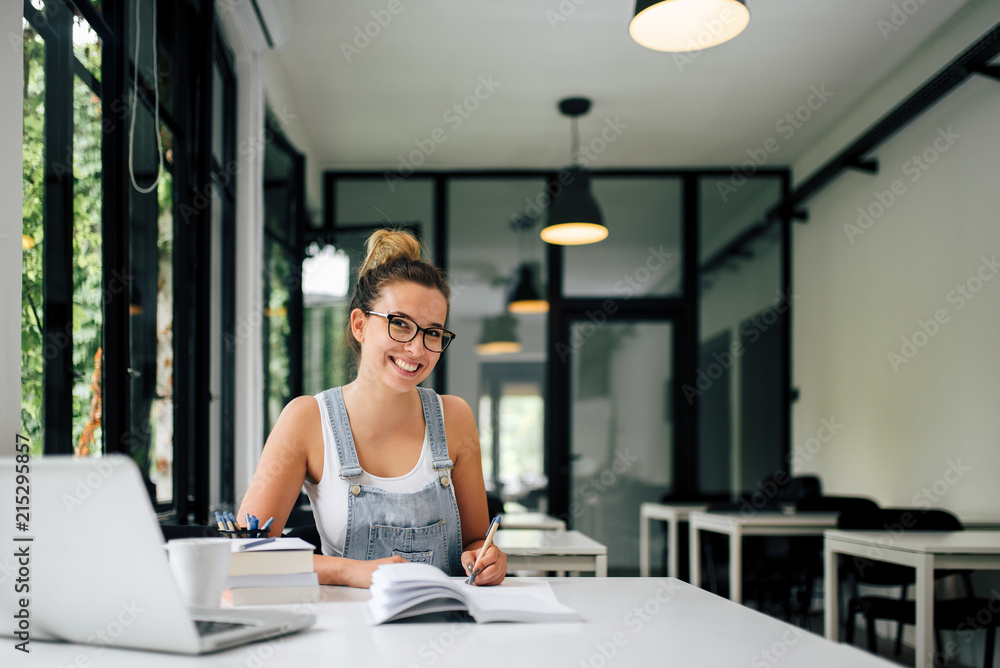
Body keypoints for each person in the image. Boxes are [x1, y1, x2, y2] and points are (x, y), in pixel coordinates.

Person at [238, 229, 506, 588]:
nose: (416, 348)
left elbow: (476, 540)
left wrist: (489, 558)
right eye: (400, 324)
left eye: (432, 333)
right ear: (360, 324)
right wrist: (347, 570)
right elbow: (247, 551)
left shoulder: (455, 417)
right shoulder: (306, 420)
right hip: (347, 635)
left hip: (445, 626)